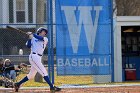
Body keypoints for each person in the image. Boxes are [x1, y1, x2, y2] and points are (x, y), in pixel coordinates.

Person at [14, 27, 61, 92]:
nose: (44, 33)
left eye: (45, 32)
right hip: (33, 56)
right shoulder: (33, 38)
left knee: (31, 75)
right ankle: (52, 87)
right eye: (43, 32)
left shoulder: (45, 39)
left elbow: (40, 38)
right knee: (44, 72)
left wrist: (32, 34)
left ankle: (18, 84)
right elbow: (28, 46)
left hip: (38, 57)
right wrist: (30, 38)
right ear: (39, 31)